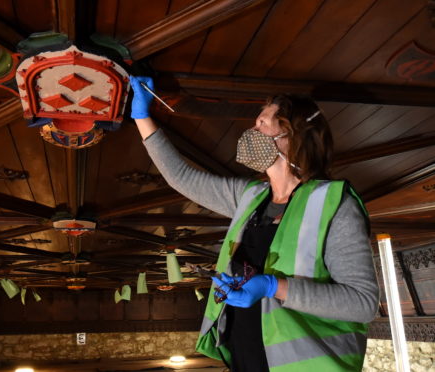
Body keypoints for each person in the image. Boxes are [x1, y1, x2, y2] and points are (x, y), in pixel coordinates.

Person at [129, 76, 379, 372]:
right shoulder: (250, 197)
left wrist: (274, 286)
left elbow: (362, 304)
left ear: (288, 133)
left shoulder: (334, 204)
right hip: (244, 356)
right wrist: (142, 118)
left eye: (261, 123)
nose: (251, 130)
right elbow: (182, 178)